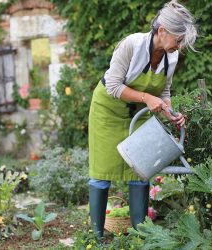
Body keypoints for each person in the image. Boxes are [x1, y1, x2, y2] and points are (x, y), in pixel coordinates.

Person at [88, 0, 197, 238]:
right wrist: (147, 97)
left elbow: (164, 92)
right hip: (107, 112)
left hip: (137, 114)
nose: (179, 46)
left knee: (141, 169)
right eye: (178, 40)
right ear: (161, 31)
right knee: (101, 173)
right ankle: (96, 236)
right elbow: (113, 86)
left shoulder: (171, 57)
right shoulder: (131, 45)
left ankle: (141, 234)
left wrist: (171, 113)